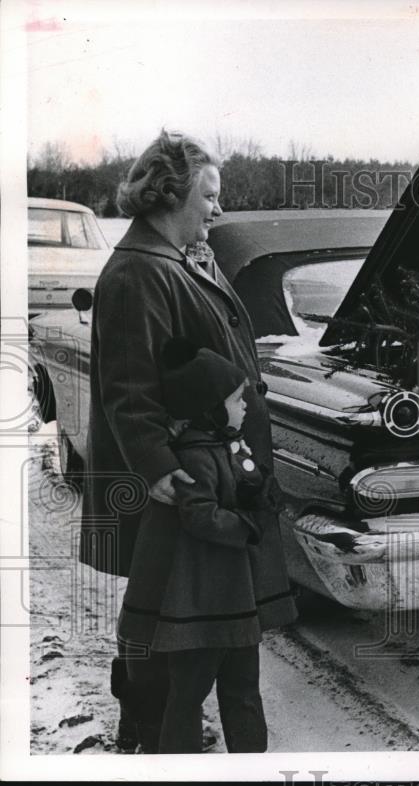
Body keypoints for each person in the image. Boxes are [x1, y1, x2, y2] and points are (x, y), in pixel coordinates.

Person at [82, 130, 296, 752]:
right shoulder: (138, 271)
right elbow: (128, 387)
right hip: (177, 489)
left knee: (177, 621)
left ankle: (152, 732)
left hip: (204, 473)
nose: (218, 209)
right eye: (209, 195)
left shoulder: (175, 262)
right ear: (170, 193)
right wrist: (156, 468)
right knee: (165, 621)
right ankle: (149, 737)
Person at [117, 339, 287, 753]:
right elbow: (200, 516)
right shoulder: (194, 458)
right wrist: (246, 526)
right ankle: (180, 764)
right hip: (200, 611)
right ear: (208, 408)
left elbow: (249, 490)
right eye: (236, 400)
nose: (244, 407)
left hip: (236, 602)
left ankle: (252, 765)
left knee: (244, 689)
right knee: (188, 694)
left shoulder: (228, 447)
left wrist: (263, 492)